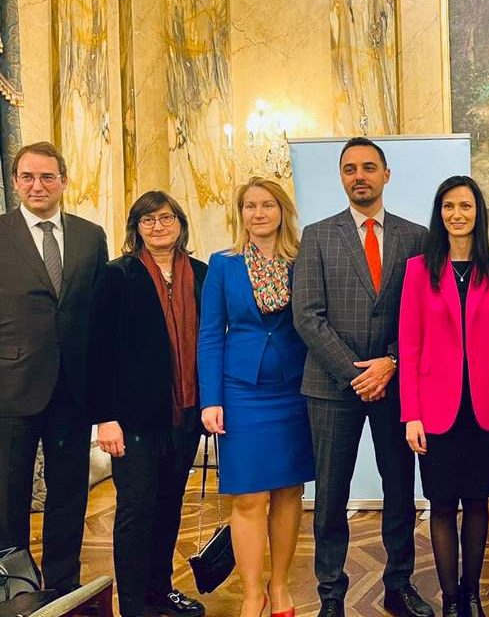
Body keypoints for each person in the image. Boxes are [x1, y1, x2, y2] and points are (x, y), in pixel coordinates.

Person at [292, 137, 432, 617]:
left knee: (399, 490)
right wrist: (357, 374)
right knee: (331, 496)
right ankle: (331, 595)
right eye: (350, 168)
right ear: (341, 177)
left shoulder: (416, 237)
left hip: (396, 385)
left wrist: (390, 362)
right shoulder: (317, 236)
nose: (360, 176)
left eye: (369, 167)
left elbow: (423, 315)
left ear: (386, 175)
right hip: (332, 387)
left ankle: (398, 585)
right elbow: (307, 315)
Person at [398, 175, 489, 617]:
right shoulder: (418, 269)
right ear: (440, 213)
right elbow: (409, 345)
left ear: (478, 212)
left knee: (478, 502)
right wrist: (411, 414)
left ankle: (472, 595)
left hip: (486, 409)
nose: (457, 214)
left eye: (465, 206)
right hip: (435, 410)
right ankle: (452, 600)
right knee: (442, 504)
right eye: (449, 206)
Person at [198, 177, 316, 617]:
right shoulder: (223, 264)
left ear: (282, 211)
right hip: (241, 392)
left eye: (267, 205)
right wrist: (211, 399)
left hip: (294, 390)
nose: (259, 213)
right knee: (247, 496)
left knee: (288, 492)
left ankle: (279, 585)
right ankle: (252, 594)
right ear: (241, 213)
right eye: (250, 206)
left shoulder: (303, 258)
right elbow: (210, 334)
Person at [89, 191, 208, 617]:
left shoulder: (201, 273)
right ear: (136, 228)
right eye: (148, 220)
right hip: (134, 419)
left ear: (180, 223)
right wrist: (105, 418)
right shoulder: (117, 275)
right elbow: (97, 349)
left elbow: (213, 340)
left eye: (166, 218)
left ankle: (161, 591)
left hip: (186, 414)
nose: (158, 226)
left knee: (169, 506)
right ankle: (134, 605)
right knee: (136, 511)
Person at [0, 141, 106, 591]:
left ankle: (63, 588)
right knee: (8, 498)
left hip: (73, 389)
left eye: (47, 177)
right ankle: (15, 588)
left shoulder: (90, 236)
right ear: (15, 182)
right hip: (11, 387)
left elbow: (100, 315)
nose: (37, 185)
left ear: (63, 181)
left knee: (68, 496)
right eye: (27, 177)